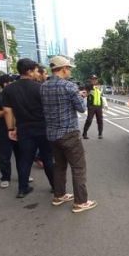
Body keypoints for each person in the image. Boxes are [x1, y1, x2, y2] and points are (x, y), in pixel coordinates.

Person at [41, 56, 97, 212]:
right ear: (64, 68)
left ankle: (59, 195)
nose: (70, 71)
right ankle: (81, 202)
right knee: (78, 168)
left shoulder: (43, 86)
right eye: (69, 68)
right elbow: (81, 108)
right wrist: (82, 96)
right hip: (69, 134)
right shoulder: (69, 86)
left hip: (52, 134)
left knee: (59, 166)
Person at [2, 58, 55, 198]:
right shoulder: (40, 88)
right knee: (48, 158)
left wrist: (10, 129)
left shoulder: (9, 89)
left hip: (24, 129)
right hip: (42, 127)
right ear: (29, 71)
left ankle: (22, 188)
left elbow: (8, 111)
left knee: (25, 159)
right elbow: (48, 109)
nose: (38, 73)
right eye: (36, 70)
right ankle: (55, 187)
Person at [0, 74, 20, 188]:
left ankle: (23, 176)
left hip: (19, 130)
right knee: (4, 156)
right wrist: (6, 112)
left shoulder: (17, 96)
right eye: (11, 82)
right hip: (2, 132)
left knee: (21, 155)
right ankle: (5, 177)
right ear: (5, 84)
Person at [82, 74, 104, 139]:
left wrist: (104, 105)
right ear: (91, 80)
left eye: (95, 79)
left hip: (99, 106)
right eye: (93, 79)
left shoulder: (99, 87)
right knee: (89, 120)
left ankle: (100, 134)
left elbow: (101, 96)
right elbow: (85, 93)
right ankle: (84, 133)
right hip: (91, 106)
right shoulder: (88, 86)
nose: (94, 80)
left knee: (100, 120)